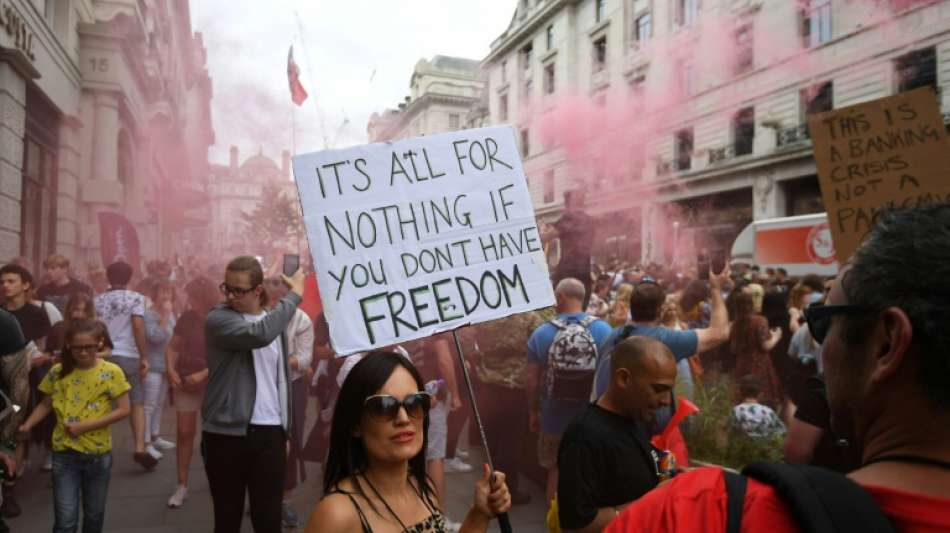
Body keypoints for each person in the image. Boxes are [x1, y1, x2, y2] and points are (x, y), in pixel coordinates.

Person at [605, 205, 950, 532]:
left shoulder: (699, 512)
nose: (819, 342)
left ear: (886, 344)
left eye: (824, 321)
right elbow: (717, 334)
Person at [306, 351, 512, 533]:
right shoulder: (337, 514)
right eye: (383, 406)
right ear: (355, 424)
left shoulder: (423, 487)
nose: (403, 418)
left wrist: (479, 514)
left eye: (414, 403)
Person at [202, 256, 305, 533]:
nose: (230, 296)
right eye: (227, 288)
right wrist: (294, 295)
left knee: (268, 519)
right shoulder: (218, 318)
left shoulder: (272, 321)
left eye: (239, 290)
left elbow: (279, 379)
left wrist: (284, 429)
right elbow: (259, 334)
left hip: (270, 432)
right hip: (225, 433)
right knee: (227, 519)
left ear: (258, 290)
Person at [18, 319, 131, 533]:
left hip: (98, 454)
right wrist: (27, 425)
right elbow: (46, 403)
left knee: (94, 516)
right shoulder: (58, 371)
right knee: (65, 520)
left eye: (89, 347)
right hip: (64, 453)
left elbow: (124, 409)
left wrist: (85, 426)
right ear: (68, 345)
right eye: (77, 348)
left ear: (99, 343)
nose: (83, 352)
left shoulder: (112, 371)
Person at [557, 336, 676, 533]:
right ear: (624, 379)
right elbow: (577, 525)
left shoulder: (636, 416)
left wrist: (675, 473)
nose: (666, 401)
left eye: (669, 391)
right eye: (658, 389)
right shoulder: (584, 437)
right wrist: (653, 501)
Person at [527, 278, 613, 503]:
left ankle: (554, 519)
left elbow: (532, 381)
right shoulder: (604, 331)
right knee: (591, 472)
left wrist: (533, 411)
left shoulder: (542, 333)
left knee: (555, 472)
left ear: (561, 297)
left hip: (553, 419)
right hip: (592, 419)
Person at [592, 267, 731, 400]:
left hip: (604, 413)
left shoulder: (611, 336)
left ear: (632, 307)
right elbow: (719, 333)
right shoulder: (665, 339)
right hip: (641, 416)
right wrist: (715, 288)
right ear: (660, 311)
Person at [472, 311, 546, 506]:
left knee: (492, 438)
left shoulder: (485, 313)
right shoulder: (530, 317)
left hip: (487, 383)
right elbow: (542, 346)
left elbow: (470, 340)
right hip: (514, 385)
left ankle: (489, 482)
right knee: (510, 442)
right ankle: (506, 489)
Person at [263, 277, 314, 528]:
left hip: (292, 386)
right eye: (270, 300)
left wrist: (275, 358)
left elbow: (304, 360)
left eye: (279, 300)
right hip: (262, 386)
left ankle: (286, 499)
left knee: (291, 442)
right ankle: (261, 494)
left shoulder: (301, 320)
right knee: (262, 441)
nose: (274, 305)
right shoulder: (256, 316)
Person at [94, 261, 154, 470]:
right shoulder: (137, 298)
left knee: (102, 402)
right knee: (137, 401)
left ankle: (99, 447)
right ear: (130, 277)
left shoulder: (98, 300)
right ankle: (139, 447)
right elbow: (137, 326)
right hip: (129, 355)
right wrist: (144, 355)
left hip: (104, 355)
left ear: (108, 277)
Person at [0, 263, 50, 516]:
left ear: (25, 284)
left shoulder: (35, 313)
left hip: (25, 379)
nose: (5, 286)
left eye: (11, 281)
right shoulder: (2, 313)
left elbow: (41, 347)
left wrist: (37, 358)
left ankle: (10, 486)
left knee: (18, 429)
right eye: (3, 281)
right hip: (5, 381)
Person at [165, 276, 217, 509]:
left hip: (214, 382)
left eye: (193, 297)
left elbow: (229, 354)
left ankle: (217, 476)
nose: (190, 301)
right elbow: (172, 347)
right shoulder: (187, 318)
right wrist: (170, 369)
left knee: (213, 433)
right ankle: (182, 484)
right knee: (184, 432)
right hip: (186, 378)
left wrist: (204, 373)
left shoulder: (220, 317)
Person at [142, 281, 177, 461]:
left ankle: (155, 436)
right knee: (148, 405)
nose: (166, 296)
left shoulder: (170, 313)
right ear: (154, 294)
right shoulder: (149, 315)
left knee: (160, 403)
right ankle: (145, 443)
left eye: (169, 292)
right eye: (163, 292)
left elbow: (173, 337)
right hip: (152, 365)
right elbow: (155, 337)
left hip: (166, 365)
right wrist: (165, 316)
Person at [729, 292, 783, 406]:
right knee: (762, 397)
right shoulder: (760, 321)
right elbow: (766, 346)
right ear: (752, 304)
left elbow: (734, 349)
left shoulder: (735, 324)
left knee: (743, 398)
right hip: (760, 363)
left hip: (742, 364)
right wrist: (776, 336)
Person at [543, 190, 595, 306]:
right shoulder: (590, 220)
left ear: (568, 204)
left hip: (567, 271)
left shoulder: (569, 218)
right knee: (581, 306)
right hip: (585, 272)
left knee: (559, 306)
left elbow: (547, 236)